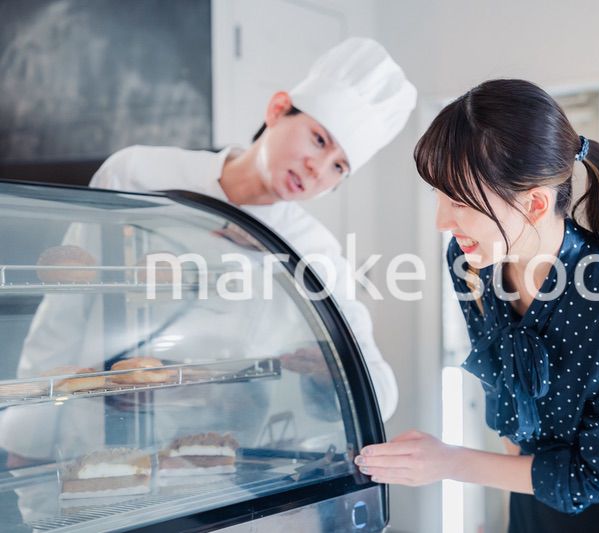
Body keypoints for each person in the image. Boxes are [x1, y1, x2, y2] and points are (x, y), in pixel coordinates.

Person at [353, 79, 599, 532]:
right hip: (537, 490)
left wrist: (445, 461)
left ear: (535, 203)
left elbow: (596, 479)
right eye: (439, 196)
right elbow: (505, 392)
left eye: (461, 202)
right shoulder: (470, 263)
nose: (442, 222)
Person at [15, 37, 416, 426]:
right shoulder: (137, 173)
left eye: (338, 167)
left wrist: (330, 366)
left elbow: (381, 394)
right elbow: (65, 308)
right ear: (278, 109)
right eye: (318, 139)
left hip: (221, 459)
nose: (318, 168)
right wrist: (23, 434)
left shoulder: (313, 250)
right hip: (97, 435)